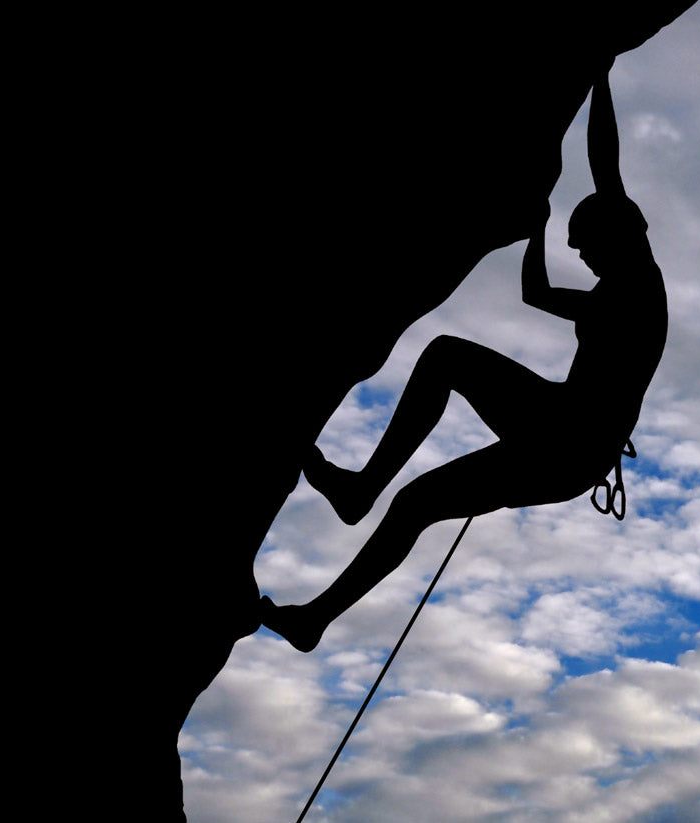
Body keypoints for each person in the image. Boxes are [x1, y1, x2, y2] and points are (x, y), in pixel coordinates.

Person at [263, 71, 666, 652]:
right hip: (565, 440)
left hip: (568, 435)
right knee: (415, 503)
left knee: (446, 357)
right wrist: (538, 228)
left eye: (587, 247)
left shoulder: (639, 282)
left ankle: (360, 492)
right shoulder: (615, 291)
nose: (585, 258)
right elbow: (535, 294)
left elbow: (606, 166)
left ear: (617, 232)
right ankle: (315, 616)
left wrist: (599, 76)